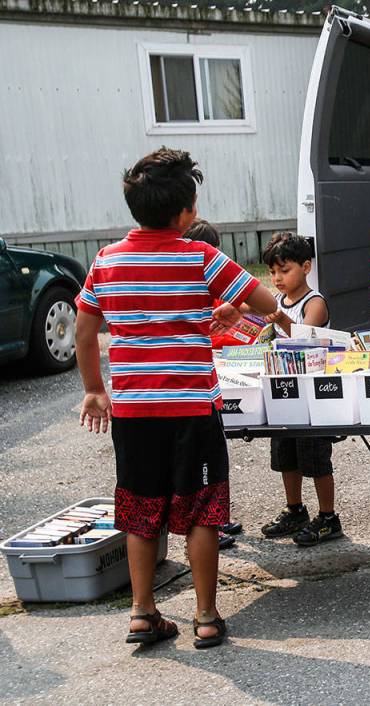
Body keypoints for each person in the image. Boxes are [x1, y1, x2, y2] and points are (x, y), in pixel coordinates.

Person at [75, 148, 278, 648]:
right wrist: (228, 307)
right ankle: (206, 616)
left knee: (141, 509)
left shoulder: (106, 261)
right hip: (192, 409)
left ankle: (142, 613)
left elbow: (83, 332)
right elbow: (268, 303)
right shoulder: (201, 257)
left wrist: (94, 390)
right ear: (187, 211)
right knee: (203, 510)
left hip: (133, 411)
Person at [253, 232, 343, 547]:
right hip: (284, 390)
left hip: (313, 394)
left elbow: (308, 339)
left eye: (285, 270)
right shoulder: (276, 301)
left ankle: (328, 518)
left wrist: (281, 321)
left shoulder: (314, 301)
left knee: (316, 456)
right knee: (285, 453)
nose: (277, 278)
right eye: (273, 272)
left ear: (306, 266)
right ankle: (295, 510)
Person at [182, 218, 243, 550]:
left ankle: (216, 519)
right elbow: (255, 298)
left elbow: (243, 303)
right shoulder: (194, 283)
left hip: (206, 387)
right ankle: (209, 526)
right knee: (204, 466)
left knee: (212, 464)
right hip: (198, 394)